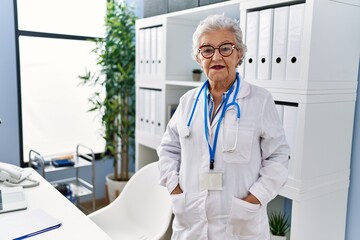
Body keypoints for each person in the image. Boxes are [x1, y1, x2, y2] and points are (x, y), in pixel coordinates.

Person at [157, 14, 290, 240]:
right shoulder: (187, 101)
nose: (216, 56)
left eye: (225, 48)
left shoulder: (260, 100)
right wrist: (175, 189)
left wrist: (254, 199)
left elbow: (278, 156)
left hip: (240, 225)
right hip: (191, 222)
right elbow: (168, 150)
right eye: (207, 49)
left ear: (239, 54)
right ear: (199, 58)